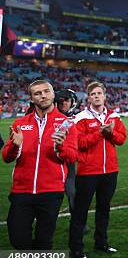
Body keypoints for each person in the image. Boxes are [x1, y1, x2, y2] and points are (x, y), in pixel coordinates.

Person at [2, 80, 77, 258]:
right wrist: (14, 145)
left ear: (53, 94)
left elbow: (72, 156)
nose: (42, 95)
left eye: (46, 92)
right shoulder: (20, 123)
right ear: (32, 98)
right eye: (37, 93)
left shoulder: (66, 124)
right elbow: (6, 157)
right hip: (22, 191)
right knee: (18, 240)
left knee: (44, 240)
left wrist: (60, 148)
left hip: (51, 192)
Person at [68, 82, 126, 258]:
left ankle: (101, 243)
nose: (96, 96)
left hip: (110, 170)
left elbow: (121, 139)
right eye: (93, 94)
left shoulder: (114, 116)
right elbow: (79, 143)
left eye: (99, 93)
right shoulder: (81, 118)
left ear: (105, 95)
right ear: (88, 97)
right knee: (80, 211)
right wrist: (100, 133)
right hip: (87, 172)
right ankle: (76, 249)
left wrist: (110, 134)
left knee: (104, 208)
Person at [54, 89, 79, 220]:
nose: (64, 103)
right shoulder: (49, 116)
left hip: (68, 162)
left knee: (72, 192)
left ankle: (78, 222)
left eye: (67, 100)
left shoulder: (76, 119)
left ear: (72, 102)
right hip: (51, 162)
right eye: (61, 100)